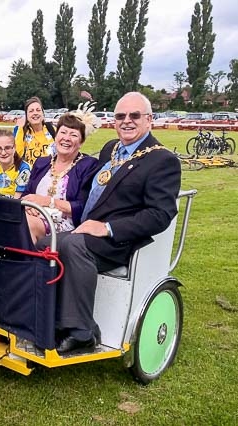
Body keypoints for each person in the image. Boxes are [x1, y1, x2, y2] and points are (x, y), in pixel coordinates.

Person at [39, 92, 181, 354]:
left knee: (73, 246)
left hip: (120, 240)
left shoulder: (162, 160)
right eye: (120, 116)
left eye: (134, 115)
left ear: (149, 119)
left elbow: (161, 214)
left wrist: (106, 228)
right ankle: (47, 317)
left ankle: (82, 332)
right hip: (89, 231)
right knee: (43, 243)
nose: (126, 121)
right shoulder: (110, 149)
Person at [21, 109, 100, 244]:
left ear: (81, 142)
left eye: (73, 135)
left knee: (25, 224)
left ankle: (29, 264)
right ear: (56, 136)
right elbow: (27, 194)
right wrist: (28, 206)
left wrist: (47, 202)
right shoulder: (41, 163)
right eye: (63, 132)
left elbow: (82, 207)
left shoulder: (88, 166)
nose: (66, 138)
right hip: (33, 217)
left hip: (63, 226)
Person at [14, 96, 56, 166]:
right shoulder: (23, 132)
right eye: (31, 111)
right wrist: (20, 129)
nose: (35, 113)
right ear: (26, 115)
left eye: (38, 110)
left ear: (43, 113)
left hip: (51, 174)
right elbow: (16, 156)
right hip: (31, 175)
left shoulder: (52, 130)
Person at [0, 129, 31, 198]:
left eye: (7, 148)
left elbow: (16, 200)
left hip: (13, 206)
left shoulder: (24, 169)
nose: (3, 153)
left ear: (14, 148)